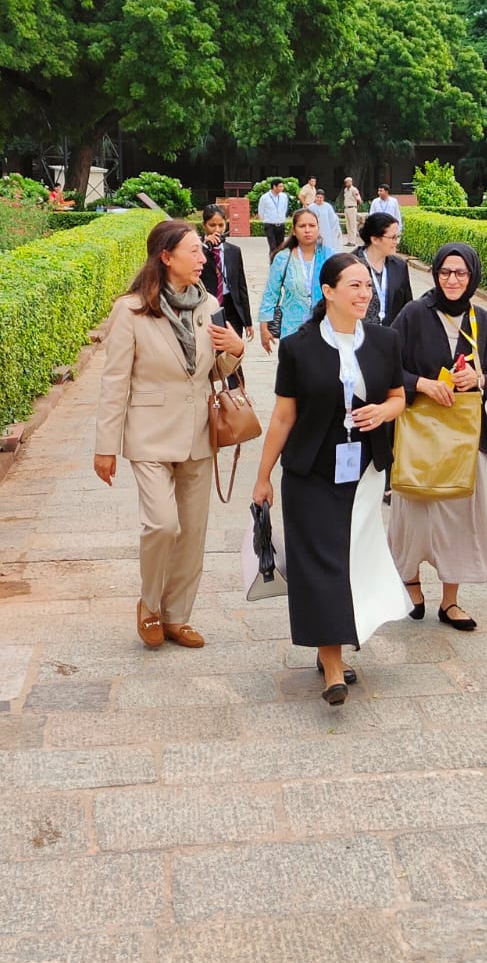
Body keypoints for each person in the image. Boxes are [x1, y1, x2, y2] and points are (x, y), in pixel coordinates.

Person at [251, 254, 412, 705]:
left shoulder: (385, 340)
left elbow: (398, 397)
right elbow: (283, 417)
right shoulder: (298, 347)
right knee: (321, 564)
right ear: (328, 291)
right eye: (354, 286)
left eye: (367, 286)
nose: (365, 294)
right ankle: (334, 667)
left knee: (350, 561)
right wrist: (262, 477)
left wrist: (383, 411)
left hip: (362, 471)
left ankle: (336, 646)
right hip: (309, 471)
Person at [93, 219, 247, 649]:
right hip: (149, 433)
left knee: (193, 531)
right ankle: (149, 605)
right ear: (166, 256)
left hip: (199, 432)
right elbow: (114, 381)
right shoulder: (131, 310)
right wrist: (105, 447)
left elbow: (214, 371)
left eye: (202, 251)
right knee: (163, 525)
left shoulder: (208, 305)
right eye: (194, 251)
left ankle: (177, 615)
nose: (203, 258)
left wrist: (236, 351)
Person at [388, 244, 487, 631]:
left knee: (459, 516)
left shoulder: (482, 321)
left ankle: (451, 601)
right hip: (418, 434)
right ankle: (410, 581)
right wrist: (421, 383)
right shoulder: (413, 315)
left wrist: (480, 379)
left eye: (461, 274)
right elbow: (386, 370)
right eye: (445, 273)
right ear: (435, 274)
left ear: (472, 277)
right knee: (414, 513)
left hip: (465, 438)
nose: (452, 280)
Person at [259, 208, 327, 354]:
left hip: (325, 327)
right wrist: (264, 327)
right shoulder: (283, 258)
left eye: (312, 226)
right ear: (294, 231)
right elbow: (271, 293)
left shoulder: (330, 257)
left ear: (318, 228)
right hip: (291, 328)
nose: (307, 230)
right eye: (302, 226)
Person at [198, 204, 253, 341]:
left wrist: (248, 321)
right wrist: (204, 247)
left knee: (231, 354)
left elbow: (241, 286)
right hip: (206, 305)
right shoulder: (197, 249)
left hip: (231, 307)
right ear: (204, 225)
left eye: (221, 225)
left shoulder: (234, 251)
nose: (217, 230)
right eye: (212, 225)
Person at [353, 212, 413, 326]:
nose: (396, 242)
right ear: (375, 239)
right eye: (392, 237)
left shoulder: (400, 266)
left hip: (392, 336)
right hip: (359, 336)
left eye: (398, 237)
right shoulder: (350, 265)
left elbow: (407, 307)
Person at [258, 179, 291, 255]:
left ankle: (279, 264)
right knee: (273, 247)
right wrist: (267, 219)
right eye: (280, 186)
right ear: (274, 187)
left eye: (282, 186)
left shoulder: (284, 196)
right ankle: (272, 263)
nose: (282, 188)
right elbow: (261, 211)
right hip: (270, 225)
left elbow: (285, 208)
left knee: (280, 247)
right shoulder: (265, 197)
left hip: (281, 225)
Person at [341, 177, 363, 243]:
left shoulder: (354, 190)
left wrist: (356, 206)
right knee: (348, 226)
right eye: (346, 182)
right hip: (346, 208)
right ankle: (349, 241)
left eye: (349, 182)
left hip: (352, 208)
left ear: (351, 182)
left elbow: (359, 199)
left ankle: (353, 241)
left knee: (352, 225)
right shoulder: (345, 190)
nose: (347, 183)